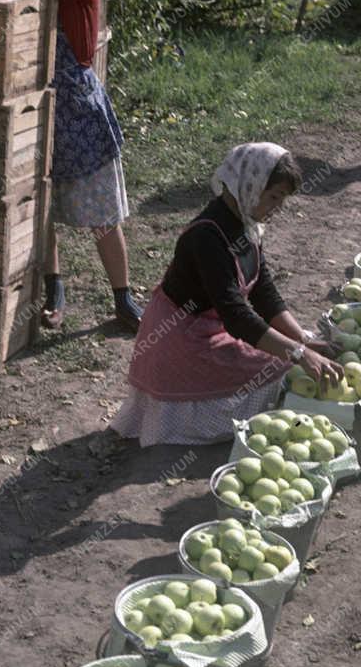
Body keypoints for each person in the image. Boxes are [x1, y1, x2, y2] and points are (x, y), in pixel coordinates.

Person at [0, 0, 142, 334]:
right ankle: (54, 290)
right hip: (32, 101)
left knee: (101, 209)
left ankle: (124, 298)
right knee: (41, 201)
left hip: (75, 105)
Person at [112, 143, 343, 447]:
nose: (277, 208)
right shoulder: (206, 236)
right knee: (282, 366)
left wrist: (301, 338)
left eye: (282, 200)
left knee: (291, 355)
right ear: (249, 185)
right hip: (180, 340)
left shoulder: (247, 224)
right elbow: (236, 315)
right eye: (273, 197)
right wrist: (299, 353)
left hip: (210, 328)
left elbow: (263, 291)